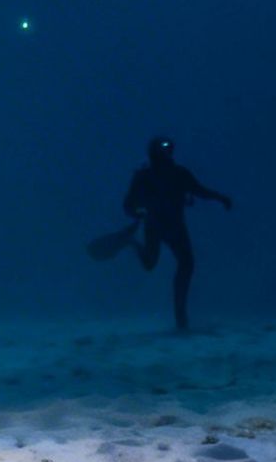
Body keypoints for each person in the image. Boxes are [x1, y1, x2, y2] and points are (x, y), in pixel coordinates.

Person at [87, 136, 232, 332]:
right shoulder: (144, 176)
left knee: (184, 263)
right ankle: (131, 242)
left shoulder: (178, 173)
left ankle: (181, 317)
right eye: (163, 149)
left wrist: (220, 198)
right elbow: (128, 204)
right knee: (151, 264)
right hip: (155, 225)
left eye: (168, 148)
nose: (166, 152)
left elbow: (199, 191)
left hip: (174, 226)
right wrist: (138, 212)